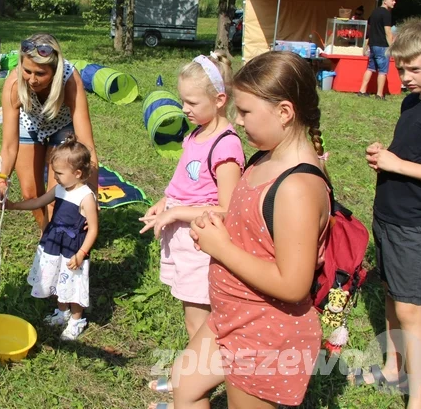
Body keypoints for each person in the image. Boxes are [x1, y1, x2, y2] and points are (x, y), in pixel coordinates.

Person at [170, 51, 331, 409]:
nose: (238, 122)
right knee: (185, 385)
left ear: (284, 112)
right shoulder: (264, 157)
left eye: (245, 112)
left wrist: (220, 247)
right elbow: (252, 229)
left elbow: (293, 284)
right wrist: (216, 225)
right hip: (231, 316)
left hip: (265, 334)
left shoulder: (296, 188)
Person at [138, 51, 244, 399]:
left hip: (201, 244)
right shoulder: (195, 134)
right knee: (192, 318)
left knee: (202, 323)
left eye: (191, 102)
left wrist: (177, 213)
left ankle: (197, 387)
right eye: (182, 100)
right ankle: (191, 379)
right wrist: (163, 204)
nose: (184, 108)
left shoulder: (226, 145)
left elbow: (229, 208)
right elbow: (183, 184)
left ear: (219, 100)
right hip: (183, 241)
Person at [359, 21, 421, 407]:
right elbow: (407, 153)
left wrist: (396, 165)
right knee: (392, 295)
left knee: (411, 308)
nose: (405, 78)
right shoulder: (412, 102)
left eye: (414, 69)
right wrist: (383, 156)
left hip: (415, 225)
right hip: (389, 215)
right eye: (400, 69)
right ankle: (394, 368)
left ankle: (419, 401)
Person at [0, 34, 98, 231]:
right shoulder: (14, 84)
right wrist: (2, 180)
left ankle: (55, 240)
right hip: (31, 123)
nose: (32, 80)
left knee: (57, 195)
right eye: (27, 71)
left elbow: (86, 144)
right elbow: (9, 146)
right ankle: (48, 235)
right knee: (30, 194)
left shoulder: (70, 81)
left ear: (55, 71)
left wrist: (92, 191)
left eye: (40, 74)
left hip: (62, 125)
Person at [5, 136, 98, 341]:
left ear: (78, 173)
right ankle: (61, 311)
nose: (55, 177)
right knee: (57, 277)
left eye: (59, 173)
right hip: (54, 242)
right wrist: (14, 206)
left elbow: (93, 229)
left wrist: (82, 253)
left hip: (73, 247)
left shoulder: (86, 197)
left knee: (73, 282)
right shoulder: (59, 189)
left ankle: (76, 319)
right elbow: (38, 201)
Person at [358, 0, 396, 100]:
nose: (394, 2)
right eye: (392, 0)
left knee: (370, 68)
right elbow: (388, 31)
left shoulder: (374, 12)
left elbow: (369, 27)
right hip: (382, 45)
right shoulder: (386, 13)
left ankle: (362, 90)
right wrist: (392, 46)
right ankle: (379, 94)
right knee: (383, 71)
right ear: (385, 1)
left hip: (373, 44)